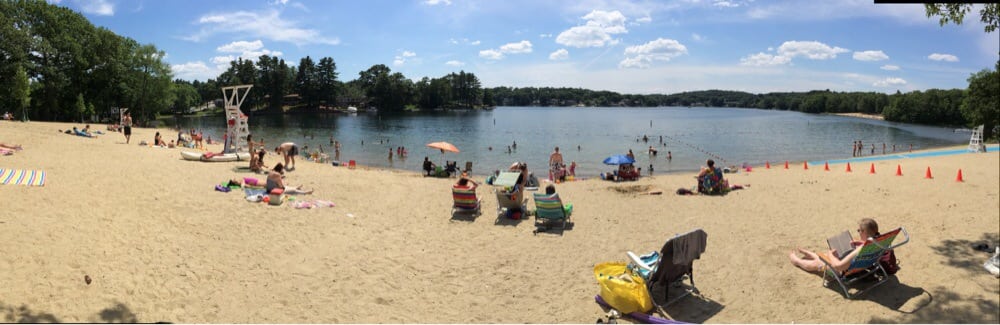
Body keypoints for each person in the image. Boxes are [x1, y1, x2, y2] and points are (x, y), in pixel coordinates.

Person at [789, 218, 880, 274]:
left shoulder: (860, 249)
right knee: (826, 257)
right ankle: (811, 254)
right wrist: (860, 242)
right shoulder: (879, 242)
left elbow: (839, 266)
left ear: (864, 232)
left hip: (846, 271)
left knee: (817, 263)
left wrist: (831, 255)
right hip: (862, 266)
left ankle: (797, 261)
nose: (858, 232)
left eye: (859, 230)